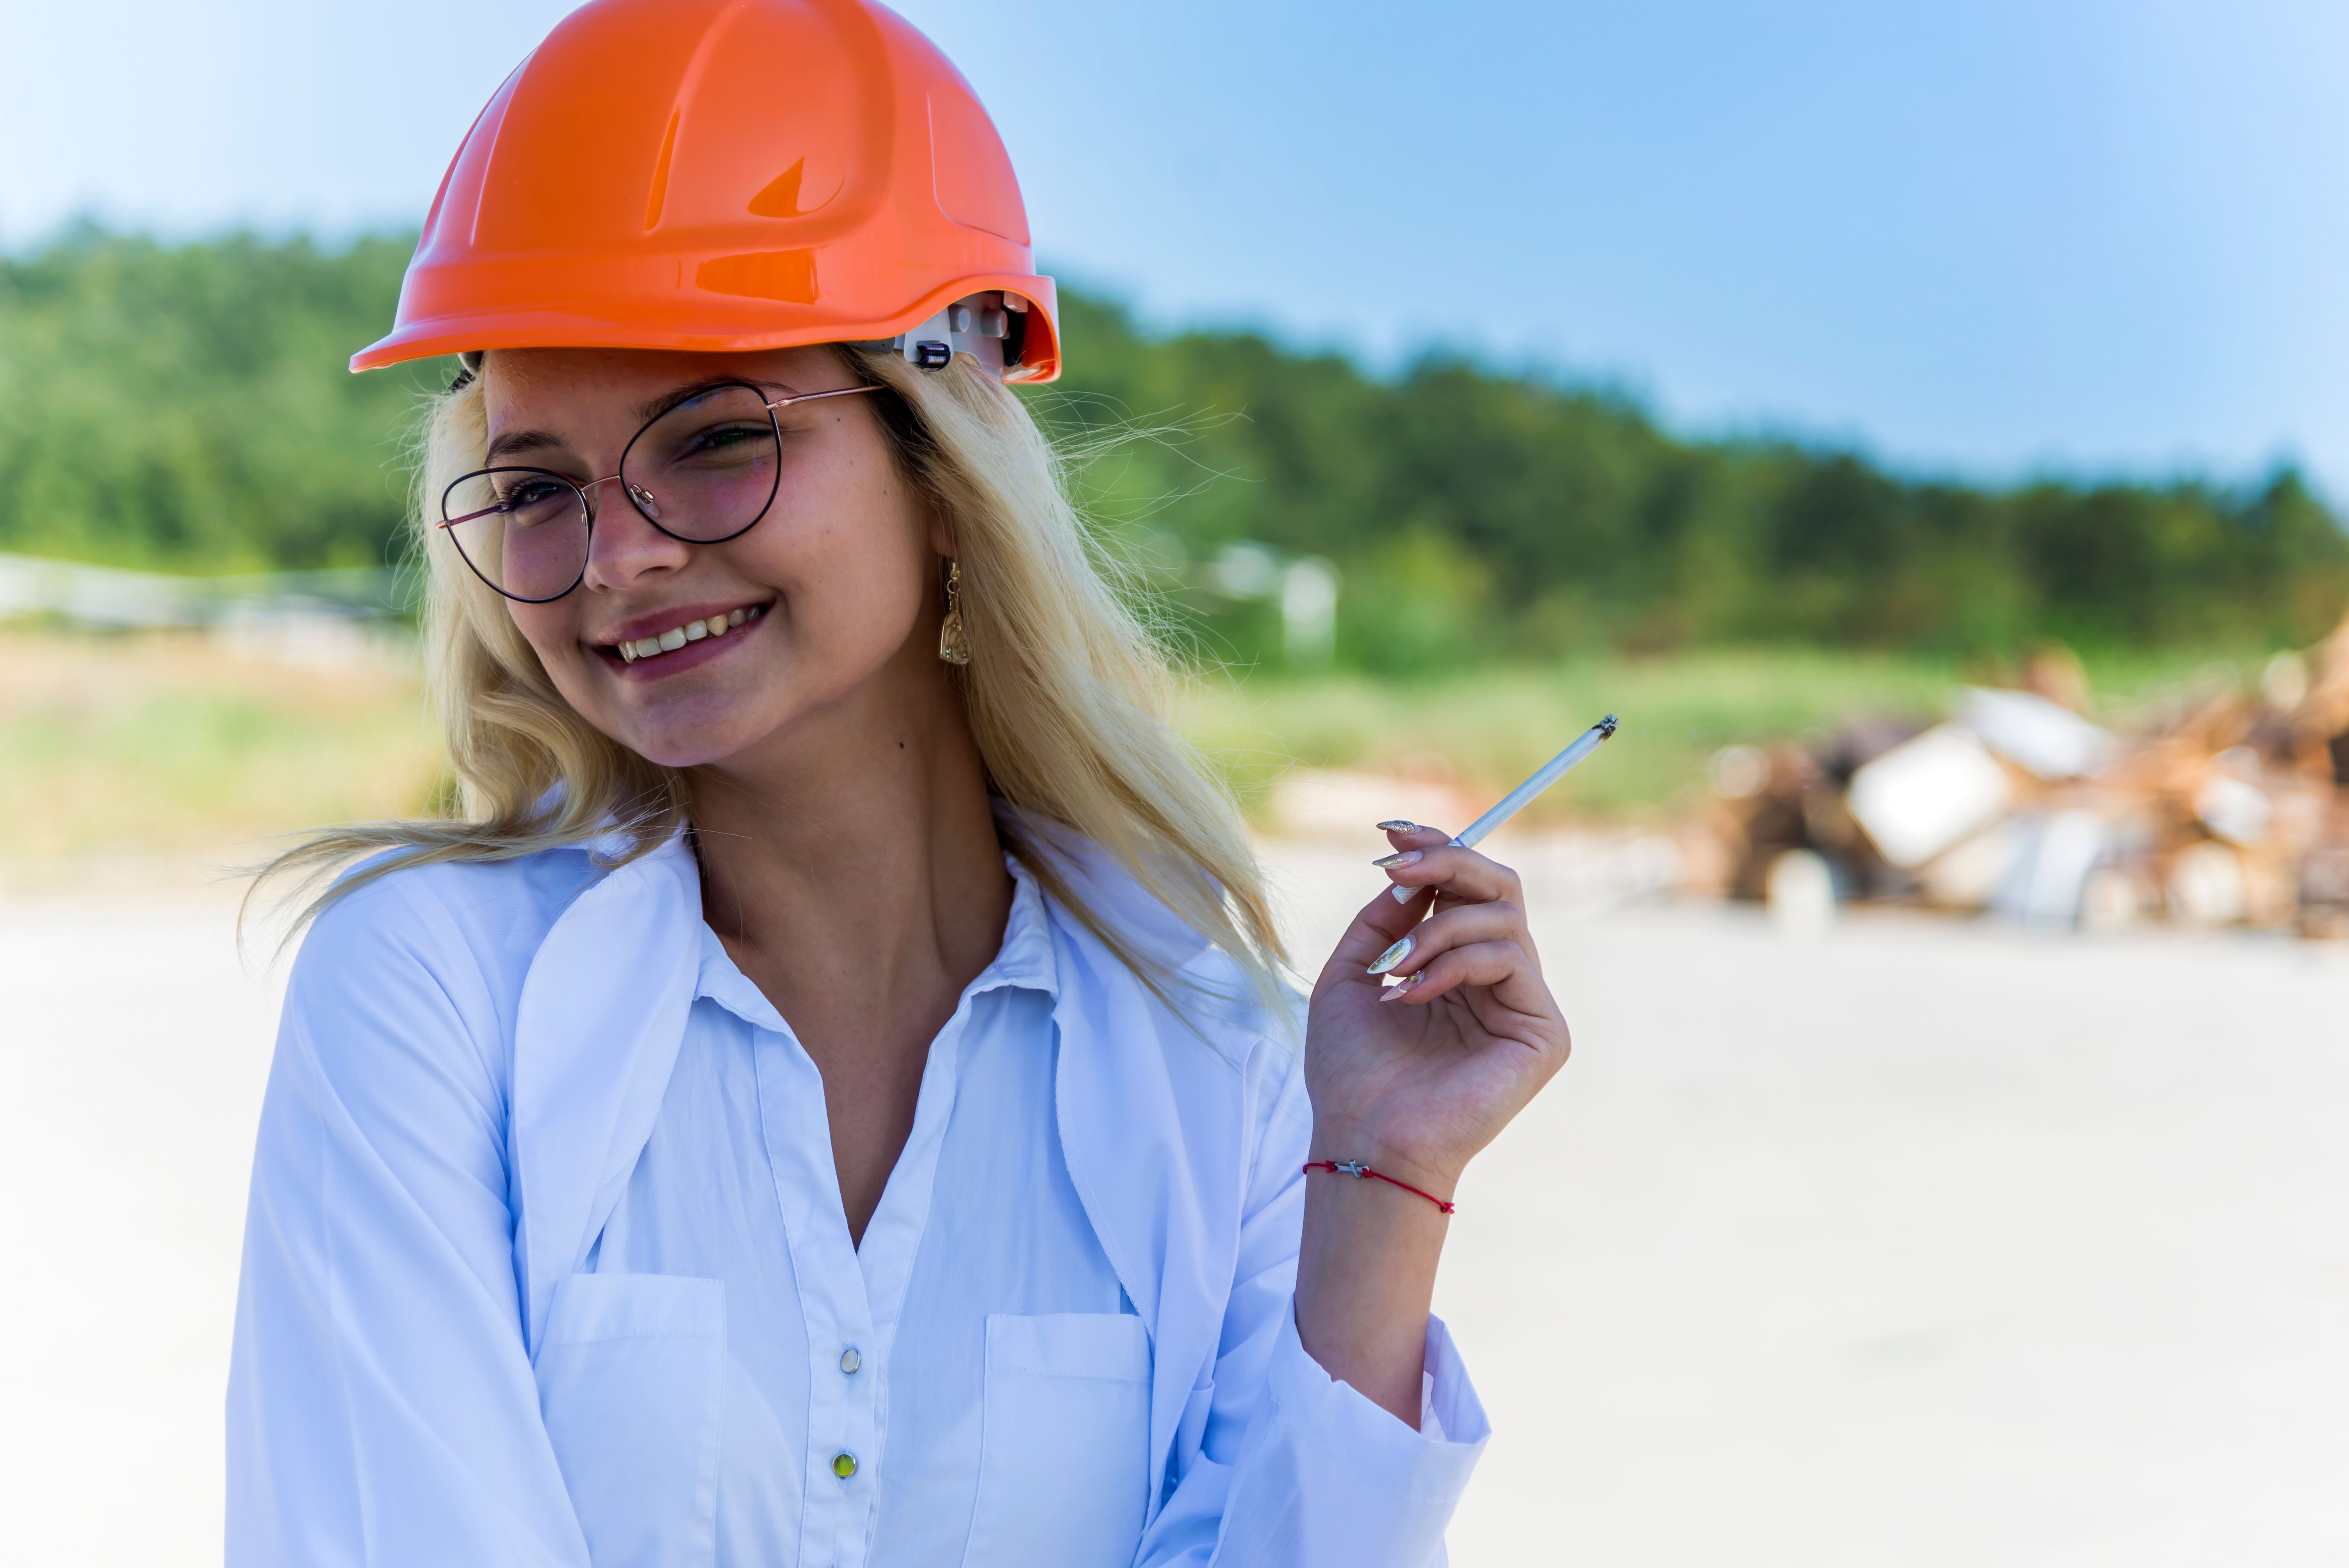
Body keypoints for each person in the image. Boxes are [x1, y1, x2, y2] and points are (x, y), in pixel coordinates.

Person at [226, 3, 1572, 1563]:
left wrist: (1382, 1177)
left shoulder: (1220, 1052)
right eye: (535, 487)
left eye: (716, 438)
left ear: (943, 464)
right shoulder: (431, 985)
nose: (617, 555)